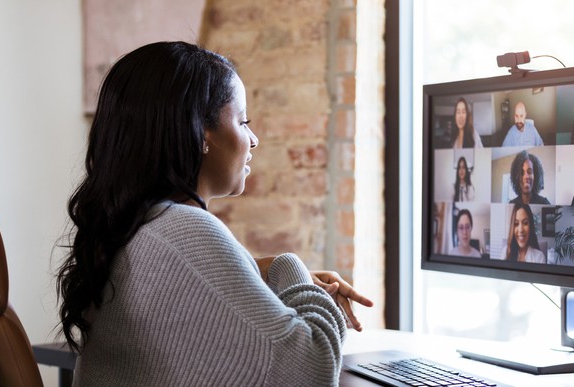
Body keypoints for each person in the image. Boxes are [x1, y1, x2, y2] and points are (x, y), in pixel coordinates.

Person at [56, 41, 373, 387]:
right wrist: (288, 265)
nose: (253, 140)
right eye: (242, 121)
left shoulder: (131, 227)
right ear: (201, 131)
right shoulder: (184, 228)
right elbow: (311, 370)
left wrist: (253, 270)